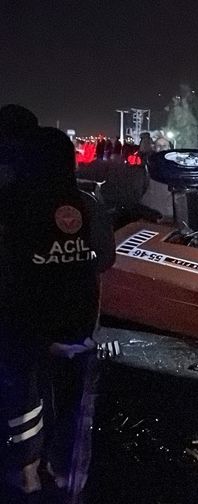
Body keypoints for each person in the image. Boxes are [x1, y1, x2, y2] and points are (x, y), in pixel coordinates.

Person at [0, 116, 116, 502]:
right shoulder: (90, 206)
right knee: (69, 400)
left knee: (22, 396)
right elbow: (104, 261)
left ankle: (27, 472)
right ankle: (60, 469)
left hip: (26, 329)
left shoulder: (11, 207)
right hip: (79, 328)